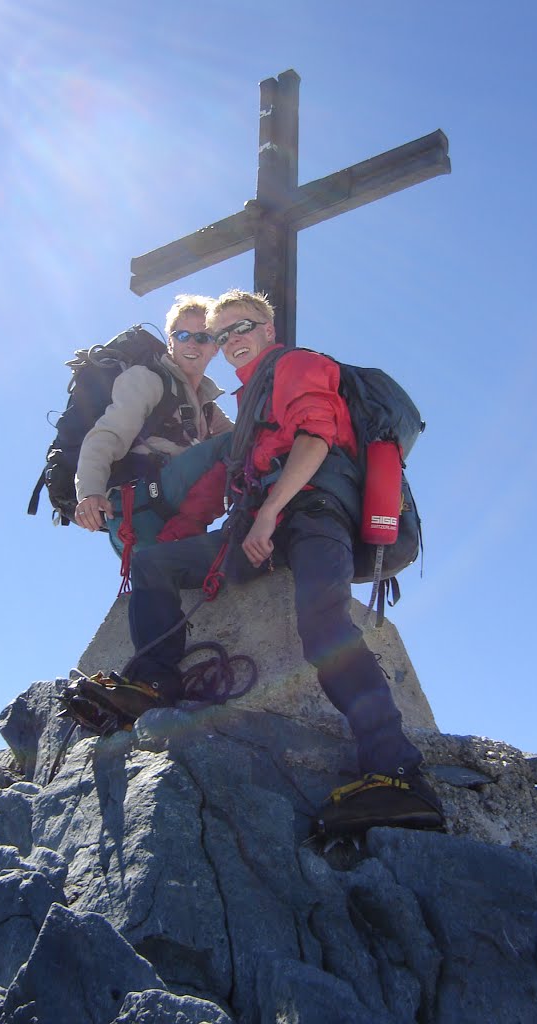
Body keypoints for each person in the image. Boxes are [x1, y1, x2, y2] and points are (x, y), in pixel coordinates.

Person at [98, 288, 444, 838]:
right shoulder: (249, 398)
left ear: (268, 330)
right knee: (157, 565)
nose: (231, 340)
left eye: (243, 327)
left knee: (324, 624)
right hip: (267, 529)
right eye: (220, 334)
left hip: (313, 517)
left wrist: (269, 514)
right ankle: (152, 683)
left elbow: (314, 440)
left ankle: (396, 771)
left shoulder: (295, 365)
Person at [73, 295, 233, 554]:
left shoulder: (206, 403)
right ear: (170, 341)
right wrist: (90, 491)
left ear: (215, 347)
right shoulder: (148, 379)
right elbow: (107, 435)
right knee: (240, 446)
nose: (192, 343)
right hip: (139, 507)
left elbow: (245, 437)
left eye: (203, 337)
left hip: (162, 514)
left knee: (174, 585)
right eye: (183, 336)